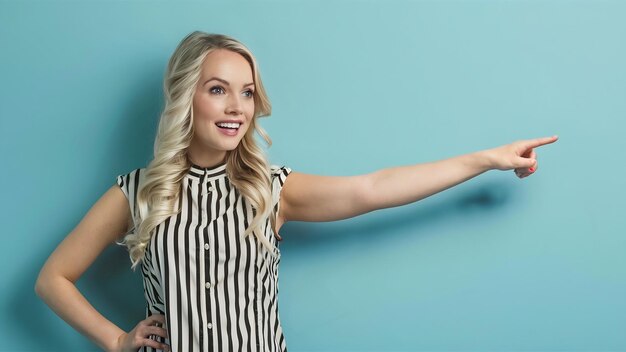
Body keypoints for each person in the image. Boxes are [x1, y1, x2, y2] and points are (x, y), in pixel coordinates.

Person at [35, 31, 559, 352]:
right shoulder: (137, 194)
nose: (237, 107)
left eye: (245, 92)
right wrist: (115, 339)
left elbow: (374, 188)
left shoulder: (270, 189)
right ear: (184, 97)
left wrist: (484, 159)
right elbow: (53, 278)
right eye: (218, 89)